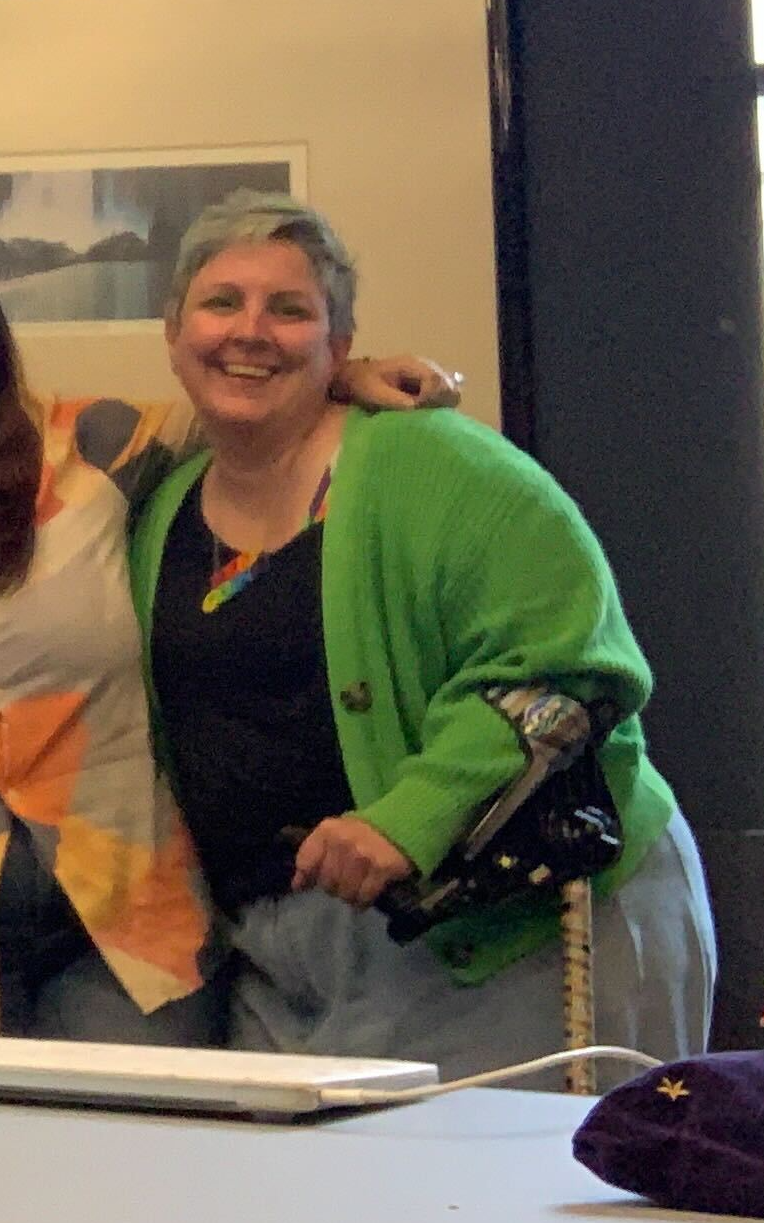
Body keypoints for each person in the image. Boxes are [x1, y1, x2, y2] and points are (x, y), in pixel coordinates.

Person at [0, 234, 461, 1041]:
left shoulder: (93, 447)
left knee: (144, 1154)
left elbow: (247, 401)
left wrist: (342, 371)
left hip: (133, 924)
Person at [131, 190, 713, 1080]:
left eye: (289, 309)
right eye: (221, 302)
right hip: (282, 957)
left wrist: (410, 816)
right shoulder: (159, 509)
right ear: (173, 333)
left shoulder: (440, 464)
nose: (250, 330)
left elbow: (575, 666)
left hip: (509, 928)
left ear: (337, 345)